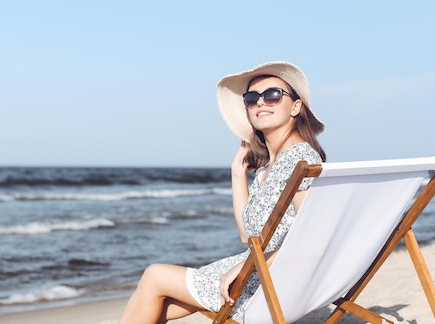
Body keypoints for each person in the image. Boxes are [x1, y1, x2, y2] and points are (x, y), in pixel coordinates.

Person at [119, 61, 326, 323]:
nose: (261, 103)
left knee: (154, 275)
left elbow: (315, 235)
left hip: (274, 281)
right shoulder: (271, 166)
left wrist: (245, 268)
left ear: (295, 106)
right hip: (260, 270)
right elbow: (246, 235)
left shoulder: (299, 158)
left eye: (273, 95)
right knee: (157, 300)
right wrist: (237, 172)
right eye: (252, 98)